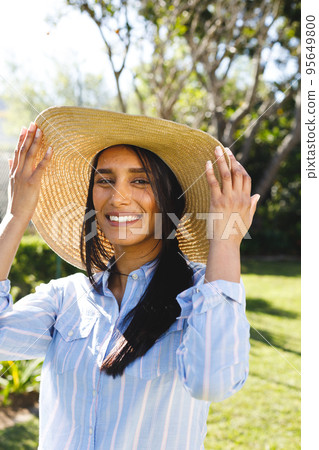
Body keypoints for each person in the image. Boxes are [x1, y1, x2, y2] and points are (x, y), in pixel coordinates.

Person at [0, 107, 259, 449]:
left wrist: (225, 238)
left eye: (140, 180)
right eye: (104, 180)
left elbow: (212, 382)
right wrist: (17, 214)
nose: (118, 196)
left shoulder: (203, 295)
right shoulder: (65, 297)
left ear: (170, 196)